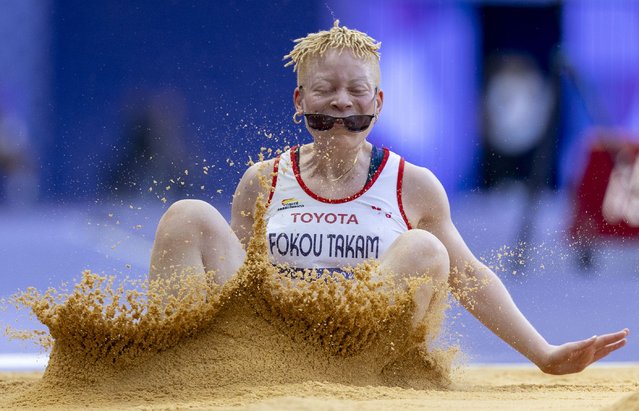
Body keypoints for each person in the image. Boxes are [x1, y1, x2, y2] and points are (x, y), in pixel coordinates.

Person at [148, 21, 629, 375]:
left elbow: (468, 276)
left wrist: (543, 354)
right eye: (326, 89)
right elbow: (233, 280)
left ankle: (360, 377)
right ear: (300, 101)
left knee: (426, 250)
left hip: (364, 358)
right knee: (188, 215)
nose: (342, 102)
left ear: (378, 103)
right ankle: (170, 367)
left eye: (357, 90)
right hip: (274, 348)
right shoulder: (265, 180)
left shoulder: (411, 184)